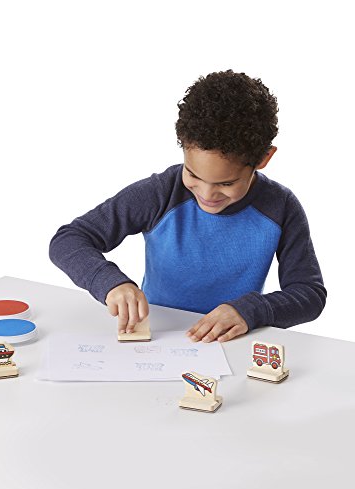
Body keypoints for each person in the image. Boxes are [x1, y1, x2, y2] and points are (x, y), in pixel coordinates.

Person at [49, 69, 326, 343]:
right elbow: (68, 240)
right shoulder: (161, 193)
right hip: (159, 338)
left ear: (264, 158)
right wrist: (111, 283)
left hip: (231, 344)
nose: (207, 194)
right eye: (193, 175)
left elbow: (310, 293)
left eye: (226, 183)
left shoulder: (281, 207)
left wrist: (251, 310)